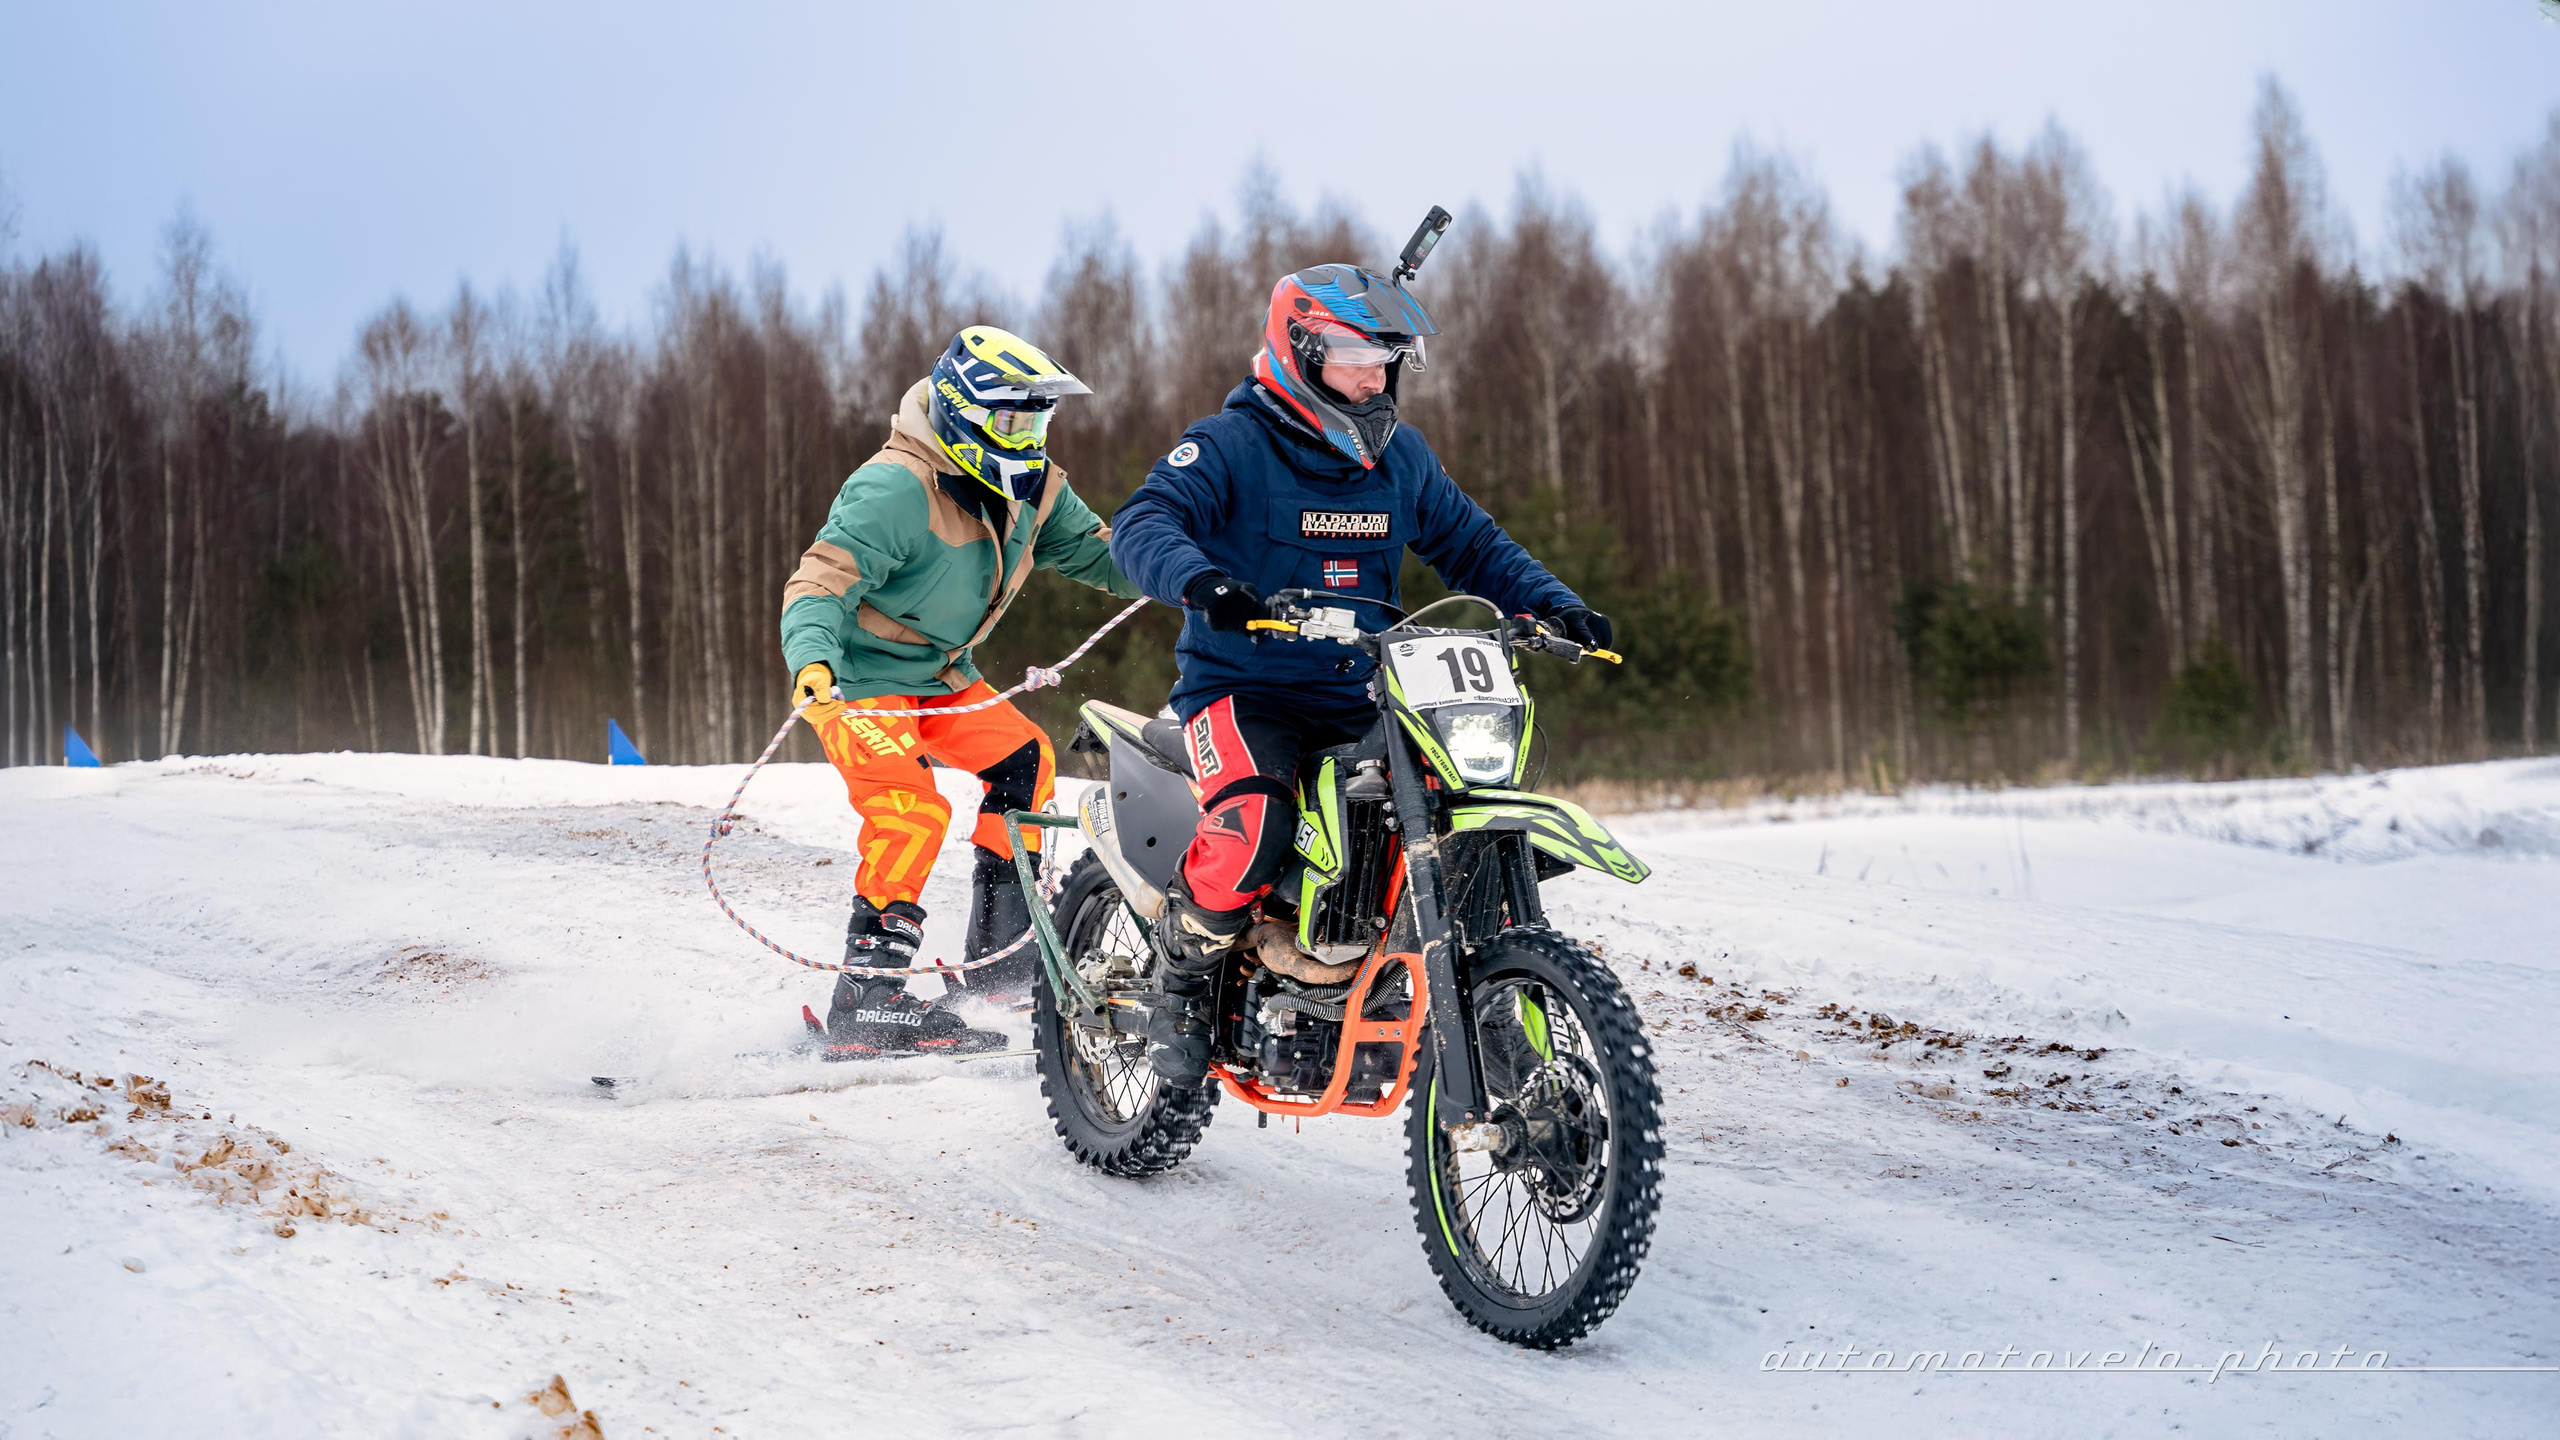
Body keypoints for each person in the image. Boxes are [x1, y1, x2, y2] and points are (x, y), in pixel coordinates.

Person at [1109, 263, 1610, 1085]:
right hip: (1241, 693)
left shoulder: (1400, 458)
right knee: (1255, 822)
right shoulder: (1231, 444)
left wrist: (1556, 605)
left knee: (1459, 817)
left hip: (1364, 692)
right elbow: (1145, 519)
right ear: (1299, 350)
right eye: (1352, 355)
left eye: (1386, 356)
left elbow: (1473, 546)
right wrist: (1202, 581)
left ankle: (1488, 1009)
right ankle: (1181, 978)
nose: (1374, 375)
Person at [781, 325, 1138, 1057]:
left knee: (1027, 762)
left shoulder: (1036, 489)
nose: (1030, 436)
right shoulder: (893, 487)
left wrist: (1193, 567)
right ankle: (867, 998)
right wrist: (812, 663)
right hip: (856, 681)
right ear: (961, 412)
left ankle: (1002, 965)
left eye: (1039, 419)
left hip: (943, 677)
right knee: (910, 808)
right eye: (1013, 419)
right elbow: (818, 582)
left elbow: (1105, 557)